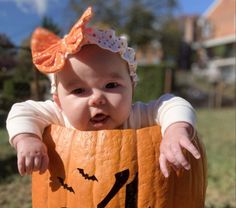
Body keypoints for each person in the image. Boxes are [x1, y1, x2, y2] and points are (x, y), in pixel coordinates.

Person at [6, 6, 200, 179]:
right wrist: (27, 138)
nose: (97, 99)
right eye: (79, 90)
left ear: (132, 87)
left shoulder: (138, 117)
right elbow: (22, 111)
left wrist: (175, 130)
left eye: (111, 86)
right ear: (58, 101)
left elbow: (172, 103)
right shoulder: (59, 117)